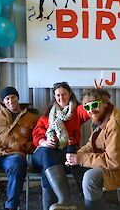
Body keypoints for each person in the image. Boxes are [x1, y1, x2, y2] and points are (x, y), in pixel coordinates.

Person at [65, 88, 120, 210]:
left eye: (95, 105)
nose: (91, 110)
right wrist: (76, 156)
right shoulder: (102, 118)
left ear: (105, 103)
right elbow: (91, 144)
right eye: (87, 107)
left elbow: (113, 161)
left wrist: (80, 158)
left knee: (90, 178)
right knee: (80, 167)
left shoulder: (116, 124)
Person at [32, 82, 90, 210]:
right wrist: (44, 142)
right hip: (41, 154)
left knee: (47, 170)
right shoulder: (47, 116)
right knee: (47, 152)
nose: (61, 98)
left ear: (70, 94)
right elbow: (36, 135)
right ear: (54, 96)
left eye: (64, 94)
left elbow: (88, 111)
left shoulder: (76, 111)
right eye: (58, 95)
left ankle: (54, 206)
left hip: (62, 155)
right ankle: (66, 201)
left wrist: (95, 98)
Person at [0, 86, 39, 210]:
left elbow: (36, 140)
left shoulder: (32, 117)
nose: (11, 101)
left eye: (13, 97)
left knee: (17, 163)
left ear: (18, 98)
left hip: (13, 156)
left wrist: (25, 147)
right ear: (3, 101)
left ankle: (11, 207)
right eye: (7, 98)